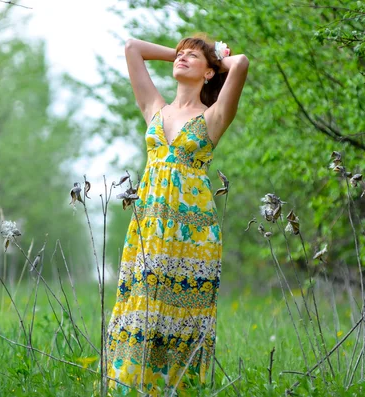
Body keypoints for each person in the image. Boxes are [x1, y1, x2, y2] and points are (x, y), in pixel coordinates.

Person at [105, 35, 249, 395]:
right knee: (141, 314)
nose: (182, 58)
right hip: (148, 230)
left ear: (210, 73)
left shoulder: (213, 118)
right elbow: (132, 48)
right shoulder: (154, 108)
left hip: (194, 238)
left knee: (182, 321)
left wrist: (214, 59)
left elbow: (242, 63)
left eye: (192, 57)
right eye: (179, 55)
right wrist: (187, 55)